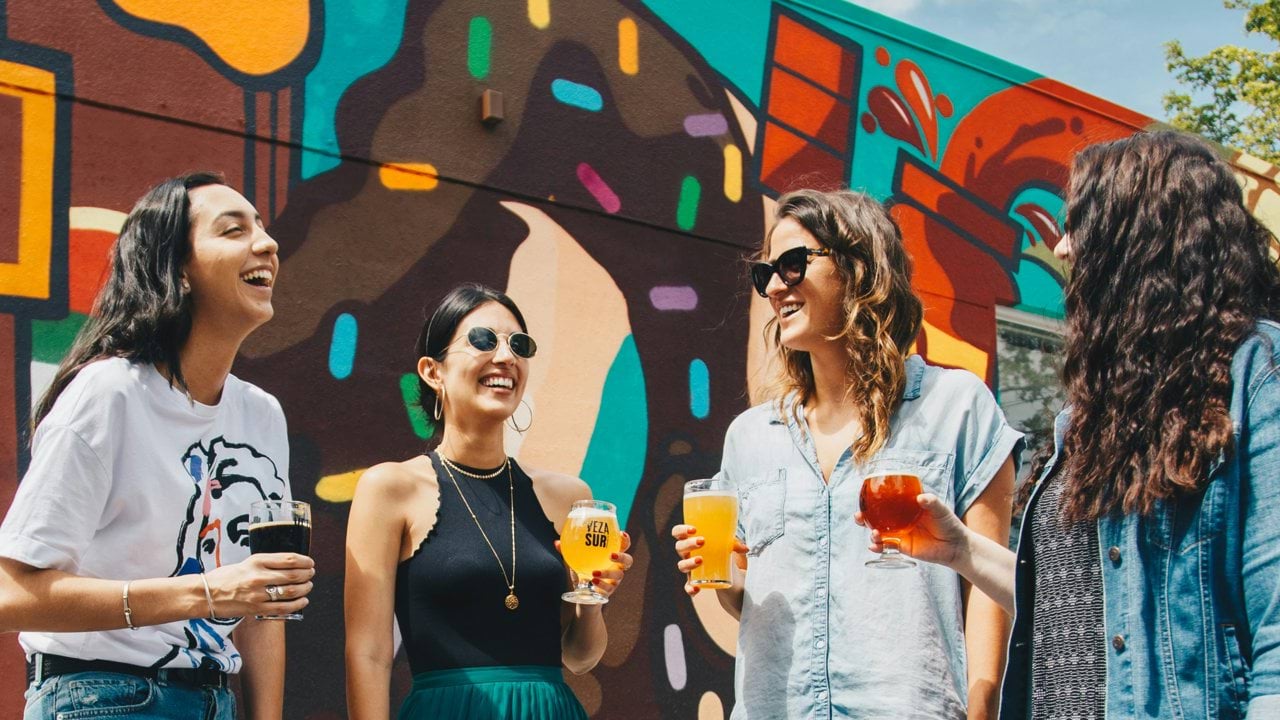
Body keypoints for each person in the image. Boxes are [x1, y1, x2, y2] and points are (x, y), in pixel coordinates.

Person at [861, 131, 1280, 718]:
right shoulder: (1090, 420)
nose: (1061, 248)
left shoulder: (1255, 377)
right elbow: (1070, 605)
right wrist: (959, 549)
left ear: (1140, 238)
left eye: (1080, 225)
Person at [672, 188, 1023, 719]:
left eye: (792, 264)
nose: (773, 286)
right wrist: (724, 575)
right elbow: (750, 602)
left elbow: (989, 592)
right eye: (765, 272)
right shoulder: (750, 436)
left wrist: (981, 710)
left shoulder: (956, 408)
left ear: (860, 266)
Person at [0, 172, 314, 719]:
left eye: (262, 229)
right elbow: (10, 596)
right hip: (102, 699)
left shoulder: (262, 417)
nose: (267, 243)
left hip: (214, 700)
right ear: (180, 271)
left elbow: (261, 608)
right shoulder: (109, 394)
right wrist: (208, 593)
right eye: (233, 230)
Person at [344, 283, 632, 720]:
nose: (505, 357)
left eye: (518, 344)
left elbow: (580, 656)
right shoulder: (389, 488)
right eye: (483, 340)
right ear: (432, 371)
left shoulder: (571, 497)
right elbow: (368, 653)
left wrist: (593, 596)